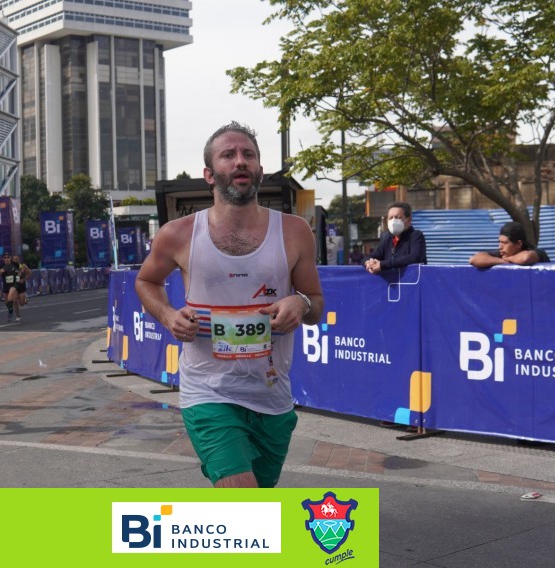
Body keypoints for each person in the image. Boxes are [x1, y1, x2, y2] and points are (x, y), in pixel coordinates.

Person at [135, 121, 324, 488]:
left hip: (272, 396)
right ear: (209, 174)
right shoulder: (178, 233)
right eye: (228, 155)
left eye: (248, 154)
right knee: (243, 499)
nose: (240, 161)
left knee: (255, 507)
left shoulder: (294, 231)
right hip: (208, 392)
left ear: (260, 170)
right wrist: (168, 315)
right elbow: (146, 282)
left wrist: (299, 303)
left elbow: (316, 304)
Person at [364, 202, 427, 274]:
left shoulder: (416, 236)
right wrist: (368, 263)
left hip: (412, 279)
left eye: (398, 217)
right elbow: (370, 256)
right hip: (393, 281)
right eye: (390, 218)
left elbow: (415, 258)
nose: (393, 221)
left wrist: (382, 265)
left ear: (409, 220)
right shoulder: (388, 239)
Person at [469, 221, 550, 267]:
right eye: (499, 242)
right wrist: (501, 261)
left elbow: (525, 258)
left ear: (518, 244)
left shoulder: (538, 253)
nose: (500, 247)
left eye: (504, 243)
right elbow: (473, 259)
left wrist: (507, 259)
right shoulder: (502, 254)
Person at [0, 252, 21, 322]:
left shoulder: (15, 264)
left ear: (10, 258)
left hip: (14, 284)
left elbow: (21, 269)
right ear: (3, 259)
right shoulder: (0, 266)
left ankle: (12, 313)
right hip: (6, 285)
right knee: (6, 302)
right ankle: (11, 310)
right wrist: (0, 273)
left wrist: (20, 273)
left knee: (11, 298)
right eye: (5, 258)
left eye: (8, 257)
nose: (6, 259)